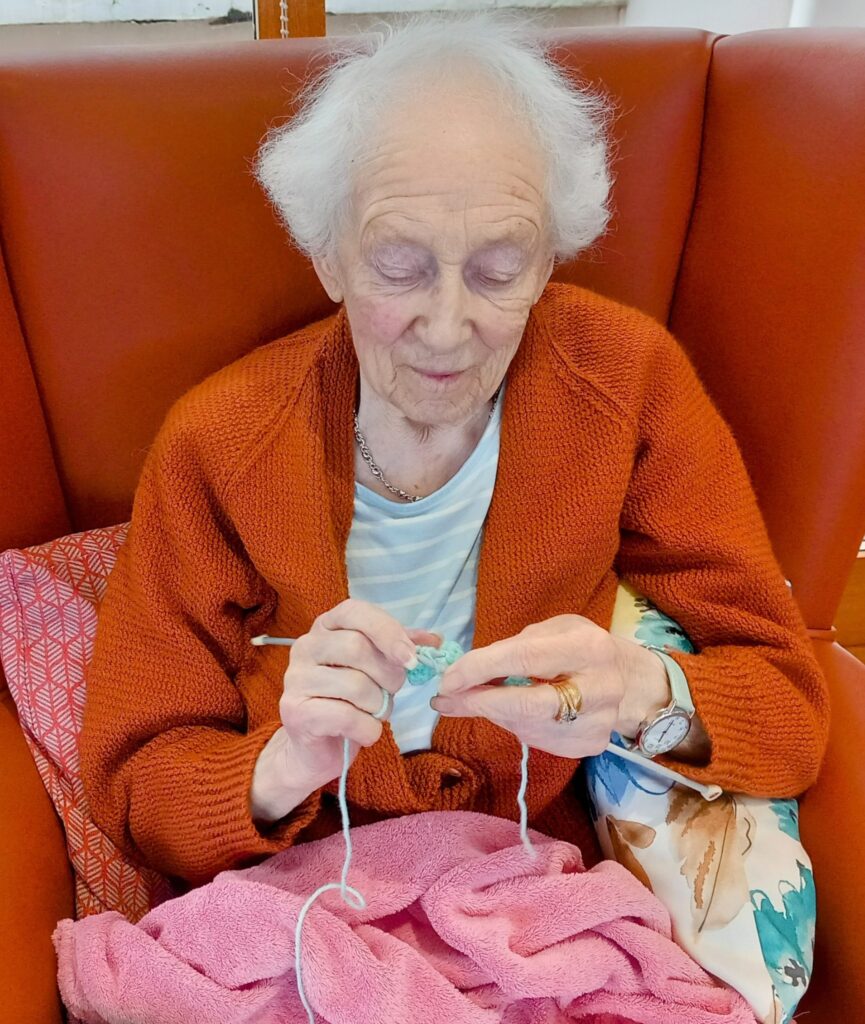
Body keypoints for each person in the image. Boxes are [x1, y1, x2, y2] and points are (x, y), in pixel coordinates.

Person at [80, 14, 829, 891]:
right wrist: (285, 764)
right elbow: (135, 788)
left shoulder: (626, 385)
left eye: (498, 268)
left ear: (550, 259)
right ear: (327, 260)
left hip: (550, 892)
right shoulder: (219, 444)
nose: (446, 327)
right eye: (398, 267)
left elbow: (788, 710)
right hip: (304, 891)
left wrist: (640, 695)